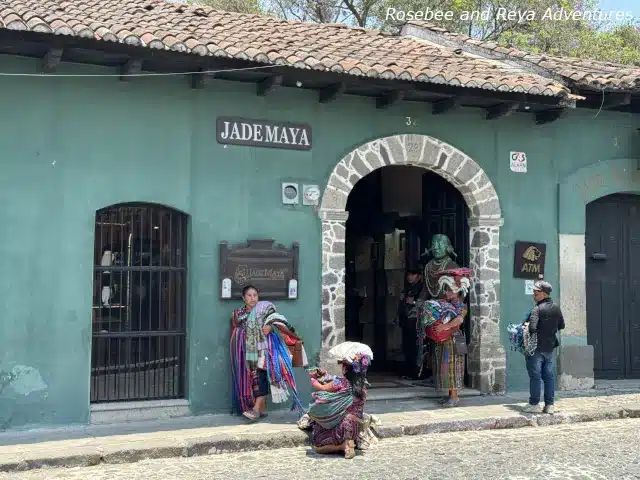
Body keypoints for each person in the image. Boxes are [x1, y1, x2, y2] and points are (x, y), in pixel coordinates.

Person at [306, 353, 371, 460]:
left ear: (345, 369)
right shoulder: (363, 386)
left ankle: (343, 446)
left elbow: (321, 387)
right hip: (356, 426)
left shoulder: (340, 382)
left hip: (341, 428)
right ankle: (349, 441)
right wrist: (325, 376)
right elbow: (331, 379)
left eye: (342, 366)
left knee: (318, 446)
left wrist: (313, 379)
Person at [430, 268, 471, 408]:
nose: (446, 292)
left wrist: (444, 327)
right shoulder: (447, 303)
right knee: (445, 367)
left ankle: (454, 396)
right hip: (446, 339)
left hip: (454, 339)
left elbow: (459, 320)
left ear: (456, 291)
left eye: (449, 290)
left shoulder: (460, 305)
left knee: (452, 368)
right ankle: (450, 395)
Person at [523, 280, 565, 414]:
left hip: (536, 348)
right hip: (549, 347)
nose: (533, 295)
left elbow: (533, 328)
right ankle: (549, 405)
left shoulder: (537, 309)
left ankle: (534, 404)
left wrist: (526, 326)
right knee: (548, 376)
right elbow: (561, 326)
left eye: (536, 293)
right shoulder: (556, 307)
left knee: (535, 376)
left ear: (543, 294)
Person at [398, 267, 426, 380]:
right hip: (406, 319)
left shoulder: (422, 287)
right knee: (407, 346)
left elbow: (424, 301)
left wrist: (414, 302)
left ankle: (415, 372)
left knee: (415, 346)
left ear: (418, 276)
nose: (409, 277)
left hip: (416, 320)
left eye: (412, 275)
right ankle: (408, 370)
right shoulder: (407, 287)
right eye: (408, 275)